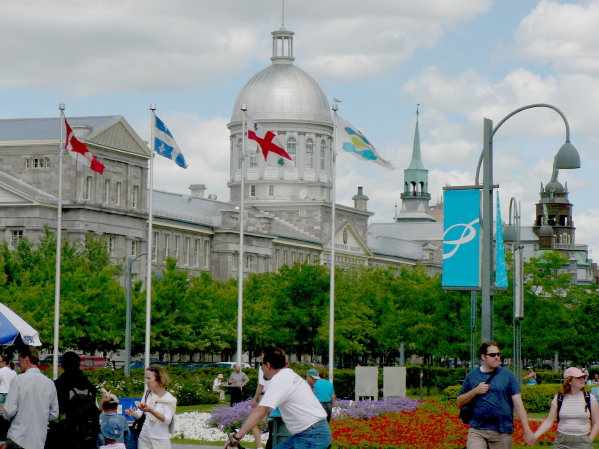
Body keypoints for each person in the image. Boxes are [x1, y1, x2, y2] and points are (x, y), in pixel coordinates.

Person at [225, 346, 331, 449]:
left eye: (261, 364)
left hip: (311, 435)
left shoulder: (279, 380)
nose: (261, 367)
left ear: (268, 365)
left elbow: (260, 412)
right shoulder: (288, 373)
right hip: (312, 432)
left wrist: (236, 437)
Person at [457, 341, 535, 448]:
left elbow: (518, 404)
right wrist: (475, 391)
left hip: (501, 431)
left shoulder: (508, 375)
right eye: (493, 355)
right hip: (477, 430)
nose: (497, 357)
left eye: (498, 354)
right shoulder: (472, 375)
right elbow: (460, 401)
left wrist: (527, 430)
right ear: (483, 357)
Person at [3, 345, 59, 449]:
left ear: (26, 359)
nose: (18, 364)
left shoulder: (18, 380)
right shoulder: (49, 383)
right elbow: (54, 414)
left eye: (19, 360)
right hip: (38, 440)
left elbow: (9, 411)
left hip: (18, 438)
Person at [532, 367, 599, 448]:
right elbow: (549, 421)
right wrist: (536, 435)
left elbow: (596, 422)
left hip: (583, 440)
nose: (582, 380)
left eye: (583, 377)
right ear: (569, 381)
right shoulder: (559, 398)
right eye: (578, 377)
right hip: (562, 441)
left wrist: (589, 440)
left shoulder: (589, 398)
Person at [52, 351, 99, 449]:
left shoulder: (59, 385)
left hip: (66, 434)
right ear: (79, 364)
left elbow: (56, 410)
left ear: (63, 365)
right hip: (88, 433)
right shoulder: (89, 386)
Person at [125, 366, 177, 449]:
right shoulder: (147, 393)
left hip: (160, 440)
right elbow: (139, 413)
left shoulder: (169, 398)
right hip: (144, 436)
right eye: (146, 378)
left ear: (159, 379)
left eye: (149, 378)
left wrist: (151, 411)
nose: (146, 381)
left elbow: (167, 420)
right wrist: (132, 413)